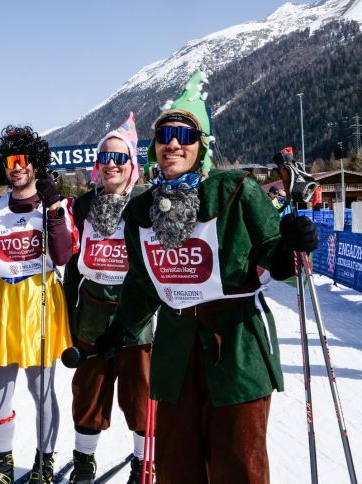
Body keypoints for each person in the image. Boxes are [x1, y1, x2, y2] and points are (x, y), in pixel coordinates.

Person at [92, 71, 318, 483]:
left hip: (235, 350)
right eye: (164, 134)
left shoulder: (234, 191)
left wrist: (291, 245)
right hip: (176, 354)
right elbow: (143, 284)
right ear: (154, 147)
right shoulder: (142, 214)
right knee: (178, 467)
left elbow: (273, 256)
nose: (173, 143)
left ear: (202, 145)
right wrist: (119, 330)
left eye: (185, 133)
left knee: (239, 463)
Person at [0, 125, 78, 484]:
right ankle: (3, 461)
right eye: (10, 161)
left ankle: (45, 460)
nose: (17, 167)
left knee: (41, 391)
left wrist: (53, 208)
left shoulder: (57, 204)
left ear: (35, 163)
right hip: (4, 301)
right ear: (2, 168)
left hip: (40, 299)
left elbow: (63, 254)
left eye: (23, 159)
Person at [61, 113, 153, 484]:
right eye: (105, 158)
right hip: (93, 316)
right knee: (88, 393)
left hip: (136, 319)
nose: (111, 165)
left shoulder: (147, 203)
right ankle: (84, 462)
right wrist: (67, 316)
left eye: (120, 158)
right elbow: (69, 265)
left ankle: (142, 463)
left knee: (140, 396)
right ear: (97, 167)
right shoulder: (82, 206)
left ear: (132, 165)